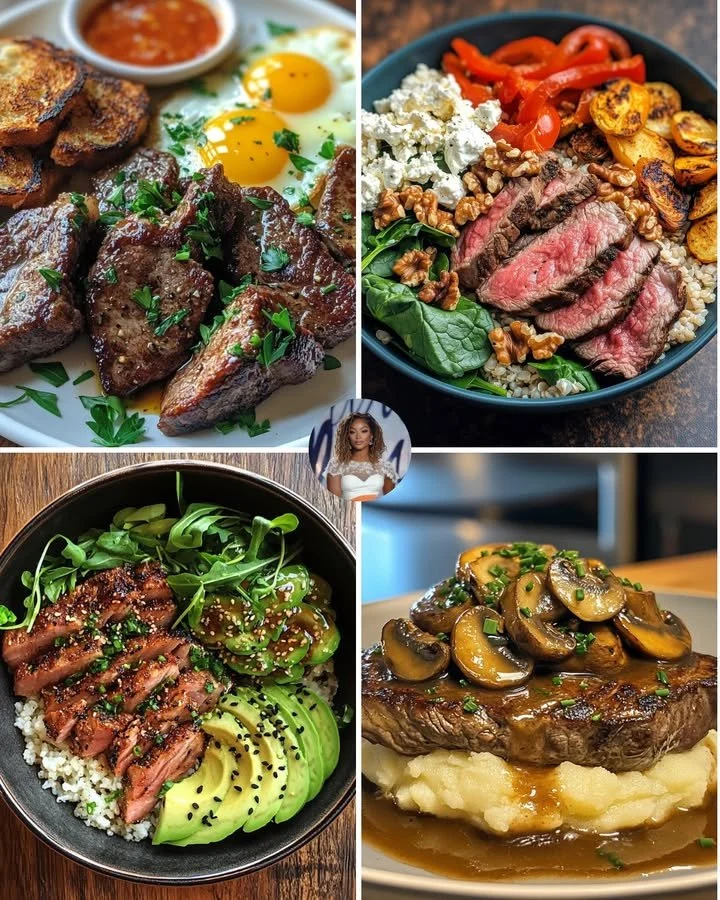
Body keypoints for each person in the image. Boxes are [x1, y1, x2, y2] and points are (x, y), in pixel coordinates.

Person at [325, 413, 398, 501]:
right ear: (347, 437)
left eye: (363, 431)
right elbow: (334, 501)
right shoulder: (336, 465)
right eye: (352, 432)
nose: (358, 437)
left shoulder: (385, 467)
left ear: (371, 435)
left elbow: (392, 501)